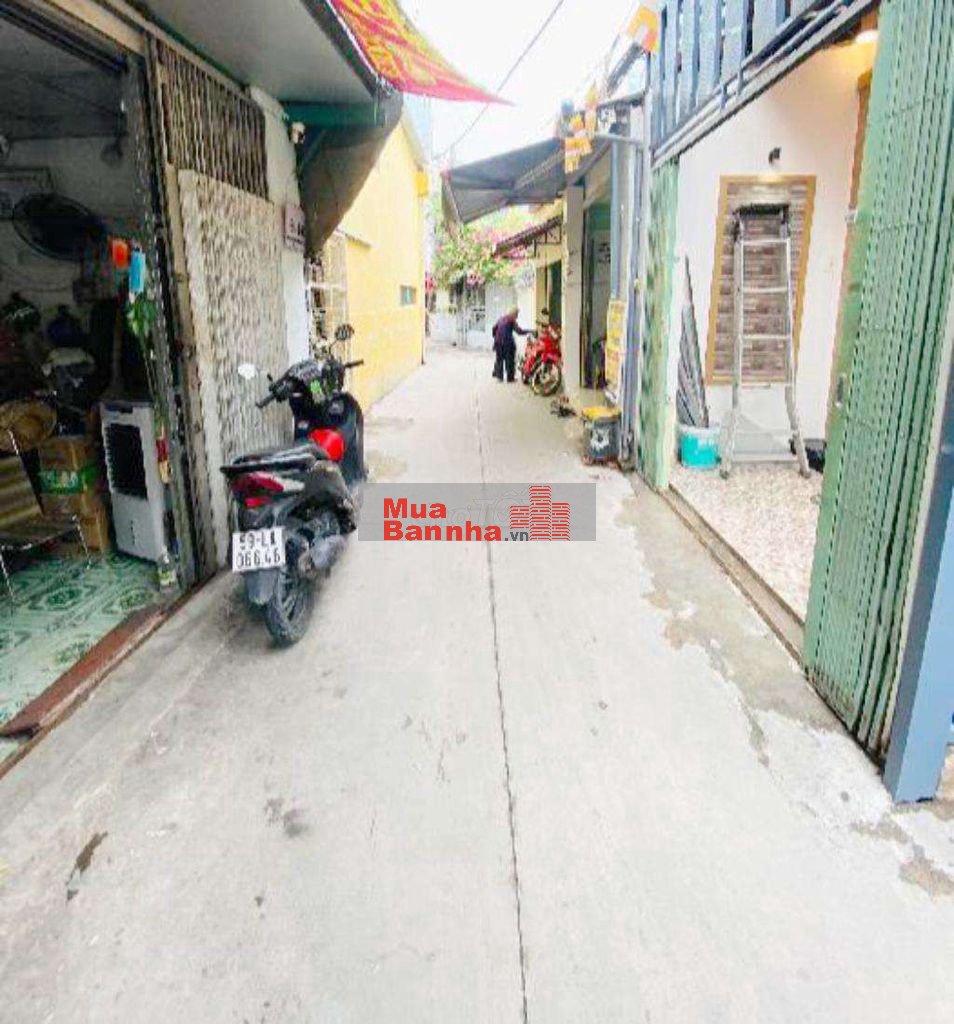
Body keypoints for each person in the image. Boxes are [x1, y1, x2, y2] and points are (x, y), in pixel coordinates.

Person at [491, 307, 530, 383]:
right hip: (508, 343)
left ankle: (499, 378)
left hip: (498, 343)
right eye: (517, 314)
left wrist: (495, 337)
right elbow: (519, 331)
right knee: (510, 361)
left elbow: (494, 328)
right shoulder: (511, 320)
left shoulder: (501, 318)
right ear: (514, 314)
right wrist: (530, 331)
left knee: (499, 360)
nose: (517, 316)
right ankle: (510, 378)